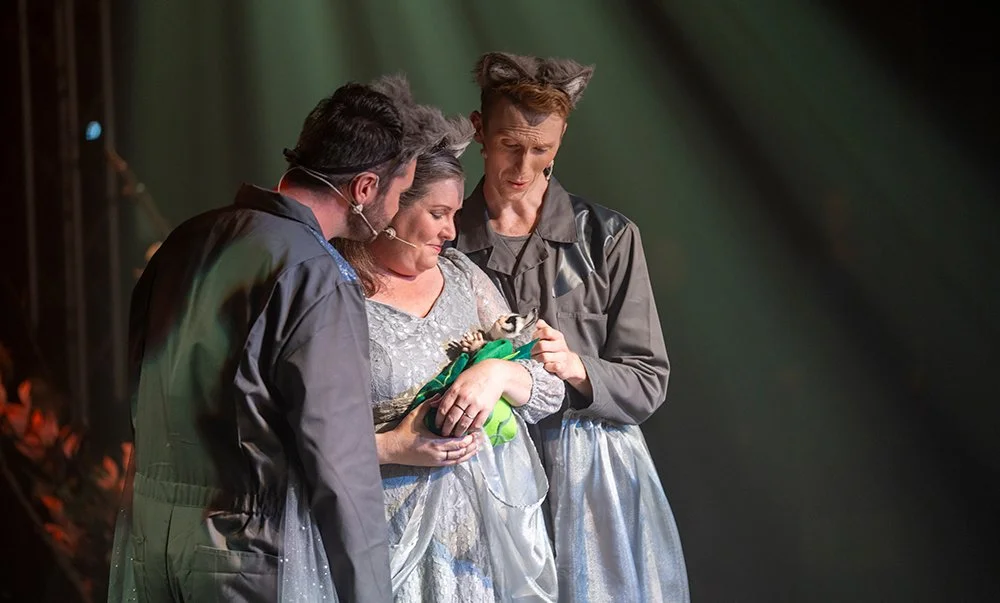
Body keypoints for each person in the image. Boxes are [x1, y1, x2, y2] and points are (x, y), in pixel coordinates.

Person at [109, 80, 431, 603]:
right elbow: (340, 462)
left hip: (148, 538)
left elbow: (139, 381)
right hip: (244, 552)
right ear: (365, 188)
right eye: (399, 194)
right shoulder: (317, 274)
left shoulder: (184, 240)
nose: (395, 212)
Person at [453, 51, 691, 602]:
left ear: (561, 140)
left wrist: (577, 367)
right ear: (479, 130)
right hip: (481, 478)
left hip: (589, 484)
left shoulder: (607, 237)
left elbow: (647, 382)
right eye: (510, 145)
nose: (524, 166)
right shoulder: (444, 239)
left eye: (542, 150)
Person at [334, 76, 563, 602]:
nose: (450, 232)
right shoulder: (336, 290)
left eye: (455, 215)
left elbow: (548, 387)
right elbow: (303, 434)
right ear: (390, 206)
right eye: (438, 214)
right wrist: (393, 446)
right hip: (382, 534)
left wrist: (496, 373)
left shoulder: (461, 276)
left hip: (474, 543)